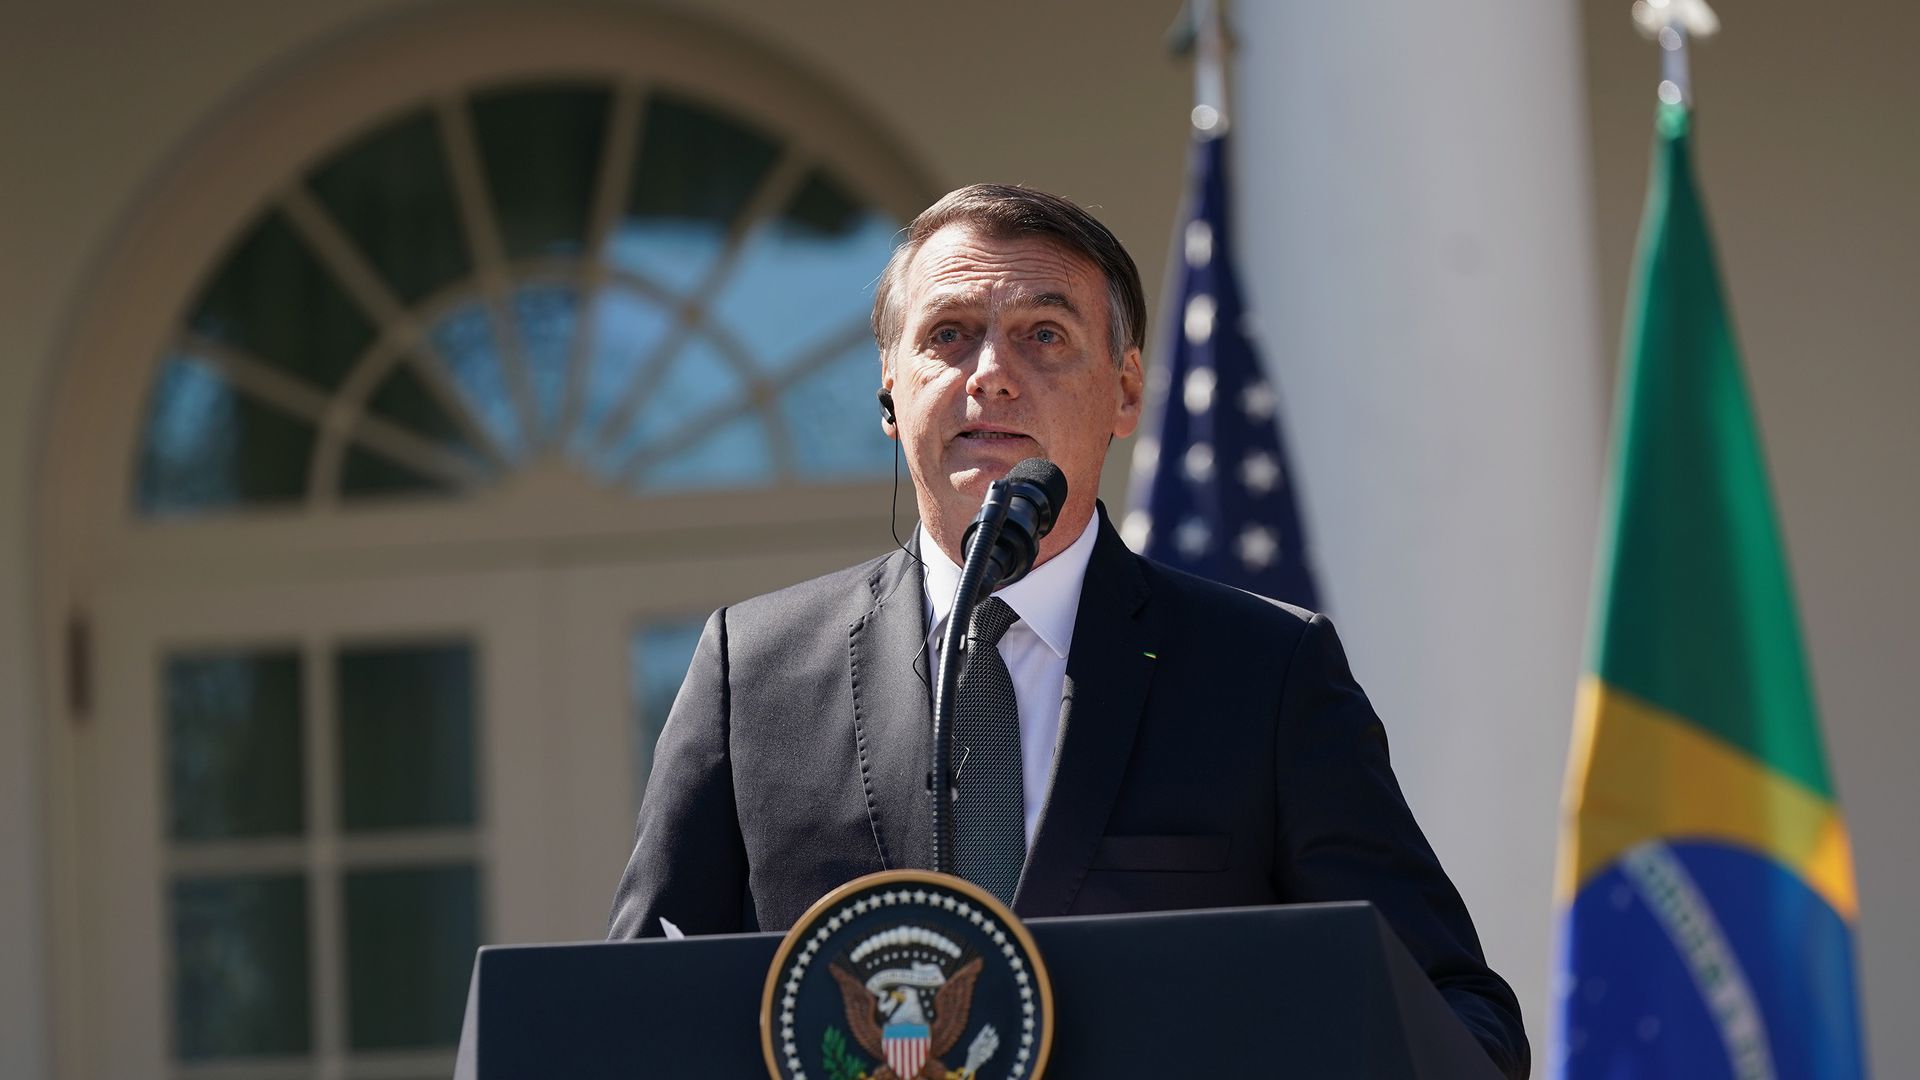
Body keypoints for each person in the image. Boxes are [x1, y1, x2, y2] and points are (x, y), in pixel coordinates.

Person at [608, 184, 1528, 1076]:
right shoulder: (752, 673)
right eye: (948, 337)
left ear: (1126, 393)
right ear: (891, 393)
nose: (993, 373)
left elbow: (1459, 1015)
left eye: (1044, 336)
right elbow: (628, 1017)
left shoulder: (1266, 674)